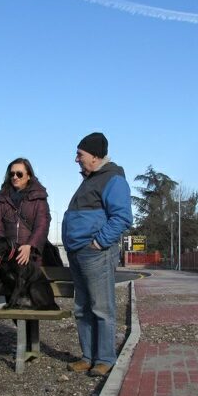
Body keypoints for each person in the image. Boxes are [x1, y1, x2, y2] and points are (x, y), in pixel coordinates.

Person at [62, 132, 133, 377]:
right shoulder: (90, 179)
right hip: (78, 253)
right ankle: (88, 357)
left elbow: (122, 217)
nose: (76, 159)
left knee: (101, 308)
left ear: (94, 156)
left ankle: (104, 359)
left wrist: (98, 243)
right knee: (82, 308)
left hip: (95, 254)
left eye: (80, 154)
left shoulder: (112, 179)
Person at [0, 157, 51, 267]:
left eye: (19, 174)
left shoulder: (39, 198)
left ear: (28, 176)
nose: (15, 177)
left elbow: (42, 225)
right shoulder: (1, 199)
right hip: (8, 257)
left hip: (32, 257)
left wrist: (30, 245)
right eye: (12, 174)